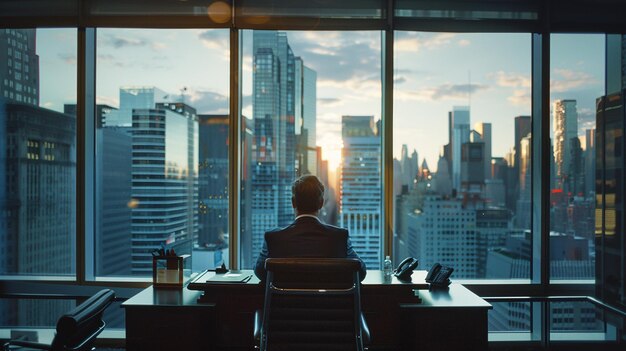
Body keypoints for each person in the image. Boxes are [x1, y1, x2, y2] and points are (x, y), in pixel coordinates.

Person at [253, 174, 367, 281]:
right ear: (321, 203)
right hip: (330, 302)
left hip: (286, 302)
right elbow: (360, 272)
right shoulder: (339, 237)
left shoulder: (273, 237)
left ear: (293, 203)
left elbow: (260, 272)